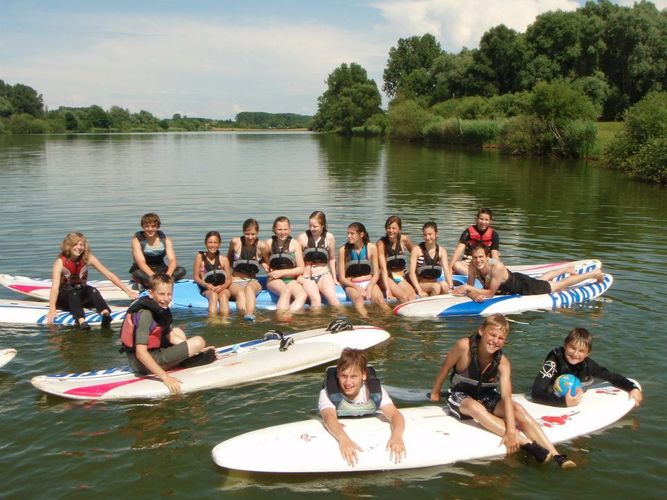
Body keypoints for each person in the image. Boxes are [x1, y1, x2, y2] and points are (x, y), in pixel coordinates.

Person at [430, 314, 576, 468]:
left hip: (485, 395)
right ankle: (526, 443)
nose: (495, 341)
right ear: (481, 331)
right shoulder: (463, 346)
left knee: (517, 408)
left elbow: (506, 395)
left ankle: (557, 455)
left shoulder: (503, 362)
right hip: (460, 395)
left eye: (500, 338)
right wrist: (435, 392)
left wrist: (511, 429)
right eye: (492, 334)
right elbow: (445, 368)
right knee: (475, 408)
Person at [120, 273, 213, 394]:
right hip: (143, 364)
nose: (166, 298)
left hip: (147, 355)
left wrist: (197, 349)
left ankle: (185, 357)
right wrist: (165, 377)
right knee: (198, 341)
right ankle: (185, 360)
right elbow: (140, 352)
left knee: (177, 331)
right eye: (161, 294)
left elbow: (171, 336)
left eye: (169, 294)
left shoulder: (159, 307)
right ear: (150, 293)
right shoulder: (146, 314)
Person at [319, 347, 406, 466]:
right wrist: (343, 439)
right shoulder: (327, 393)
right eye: (344, 376)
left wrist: (397, 436)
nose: (348, 383)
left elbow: (395, 414)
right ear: (338, 374)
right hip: (340, 426)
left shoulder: (375, 392)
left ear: (363, 375)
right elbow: (329, 418)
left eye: (353, 376)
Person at [531, 327, 643, 407]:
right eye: (572, 348)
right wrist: (563, 403)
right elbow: (536, 393)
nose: (575, 354)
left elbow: (612, 377)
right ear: (565, 346)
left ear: (587, 354)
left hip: (572, 394)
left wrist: (632, 387)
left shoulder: (588, 365)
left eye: (581, 351)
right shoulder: (553, 363)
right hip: (552, 394)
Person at [47, 232, 138, 330]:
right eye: (75, 244)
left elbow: (109, 275)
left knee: (92, 290)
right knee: (72, 294)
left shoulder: (87, 258)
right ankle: (81, 321)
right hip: (65, 298)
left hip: (80, 295)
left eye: (81, 245)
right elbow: (55, 289)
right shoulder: (60, 262)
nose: (79, 247)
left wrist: (128, 291)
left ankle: (105, 313)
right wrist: (52, 308)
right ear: (68, 245)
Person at [454, 243, 605, 302]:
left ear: (487, 256)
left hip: (523, 287)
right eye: (475, 258)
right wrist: (473, 293)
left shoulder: (496, 267)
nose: (478, 260)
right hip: (515, 283)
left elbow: (490, 293)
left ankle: (593, 274)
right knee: (542, 280)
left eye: (481, 257)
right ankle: (565, 269)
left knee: (557, 286)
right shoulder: (473, 266)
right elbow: (470, 287)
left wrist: (469, 290)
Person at [337, 222, 389, 317]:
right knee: (358, 300)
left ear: (361, 234)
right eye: (348, 233)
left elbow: (376, 273)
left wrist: (369, 287)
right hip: (352, 285)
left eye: (352, 233)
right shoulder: (343, 250)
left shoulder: (372, 248)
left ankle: (390, 320)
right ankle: (367, 320)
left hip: (369, 282)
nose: (349, 236)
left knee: (381, 301)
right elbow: (342, 278)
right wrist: (358, 288)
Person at [262, 216, 308, 313]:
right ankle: (282, 317)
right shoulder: (268, 243)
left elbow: (301, 268)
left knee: (302, 295)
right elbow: (262, 258)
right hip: (274, 279)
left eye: (285, 229)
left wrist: (282, 272)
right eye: (279, 229)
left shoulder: (295, 244)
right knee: (286, 292)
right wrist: (264, 265)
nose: (282, 232)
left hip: (290, 279)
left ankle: (287, 315)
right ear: (274, 229)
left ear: (290, 229)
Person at [296, 211, 340, 308]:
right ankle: (316, 323)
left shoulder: (330, 238)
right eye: (310, 225)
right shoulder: (302, 238)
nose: (312, 229)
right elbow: (296, 260)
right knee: (316, 300)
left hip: (324, 274)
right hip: (307, 276)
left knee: (334, 300)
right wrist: (299, 275)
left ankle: (342, 321)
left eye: (315, 226)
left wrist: (334, 278)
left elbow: (332, 259)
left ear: (322, 225)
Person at [129, 212, 186, 288]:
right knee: (137, 274)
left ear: (158, 226)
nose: (150, 229)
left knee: (181, 270)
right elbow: (141, 263)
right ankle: (159, 283)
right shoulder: (136, 240)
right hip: (143, 270)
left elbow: (172, 260)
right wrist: (154, 277)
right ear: (142, 226)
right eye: (147, 226)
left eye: (153, 226)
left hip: (160, 268)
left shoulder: (166, 239)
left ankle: (153, 283)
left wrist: (168, 275)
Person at [226, 218, 265, 321]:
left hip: (252, 281)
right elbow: (227, 260)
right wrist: (226, 278)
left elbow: (267, 262)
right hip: (235, 280)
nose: (250, 237)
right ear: (243, 232)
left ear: (257, 233)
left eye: (253, 234)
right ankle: (243, 315)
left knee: (249, 288)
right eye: (247, 234)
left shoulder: (261, 246)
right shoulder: (235, 242)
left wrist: (264, 265)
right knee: (240, 293)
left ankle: (249, 315)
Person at [408, 221, 454, 297]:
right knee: (436, 287)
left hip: (435, 282)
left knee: (445, 286)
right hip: (420, 284)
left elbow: (446, 270)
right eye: (425, 235)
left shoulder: (442, 251)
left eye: (430, 234)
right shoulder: (417, 250)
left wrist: (451, 286)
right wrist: (419, 290)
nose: (427, 237)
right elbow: (411, 273)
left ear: (436, 234)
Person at [376, 216, 416, 303]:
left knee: (412, 295)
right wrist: (388, 290)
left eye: (394, 228)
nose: (391, 231)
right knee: (404, 297)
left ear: (399, 230)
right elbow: (382, 268)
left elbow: (415, 254)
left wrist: (414, 270)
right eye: (388, 228)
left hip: (398, 276)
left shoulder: (404, 240)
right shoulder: (381, 244)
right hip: (386, 277)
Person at [450, 208, 500, 276]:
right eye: (481, 219)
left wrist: (493, 266)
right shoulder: (467, 232)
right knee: (456, 265)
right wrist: (450, 267)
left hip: (485, 264)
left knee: (497, 265)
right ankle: (478, 276)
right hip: (469, 263)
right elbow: (458, 250)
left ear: (490, 221)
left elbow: (495, 256)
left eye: (486, 220)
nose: (483, 222)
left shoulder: (494, 235)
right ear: (476, 219)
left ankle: (478, 275)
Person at [193, 231, 232, 316]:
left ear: (219, 244)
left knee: (224, 296)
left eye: (215, 242)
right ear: (205, 243)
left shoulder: (224, 259)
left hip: (223, 288)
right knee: (213, 296)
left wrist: (222, 287)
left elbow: (229, 280)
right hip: (207, 289)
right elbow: (196, 277)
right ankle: (213, 320)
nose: (212, 245)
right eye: (210, 242)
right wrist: (206, 285)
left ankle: (225, 320)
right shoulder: (200, 257)